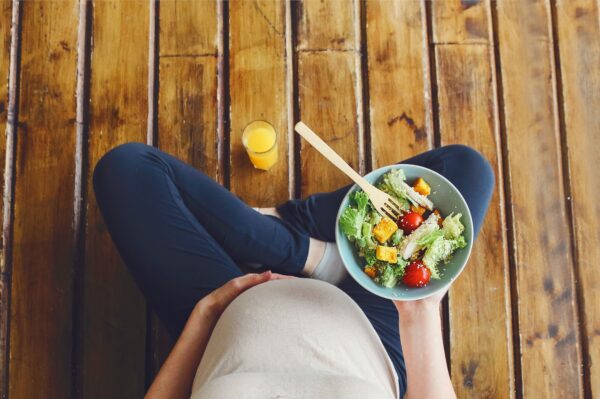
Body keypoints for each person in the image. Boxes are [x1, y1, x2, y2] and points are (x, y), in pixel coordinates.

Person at [93, 142, 494, 399]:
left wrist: (205, 316)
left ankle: (289, 239)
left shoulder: (210, 314)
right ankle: (305, 248)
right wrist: (420, 312)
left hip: (223, 311)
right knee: (465, 169)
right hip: (374, 331)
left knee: (128, 168)